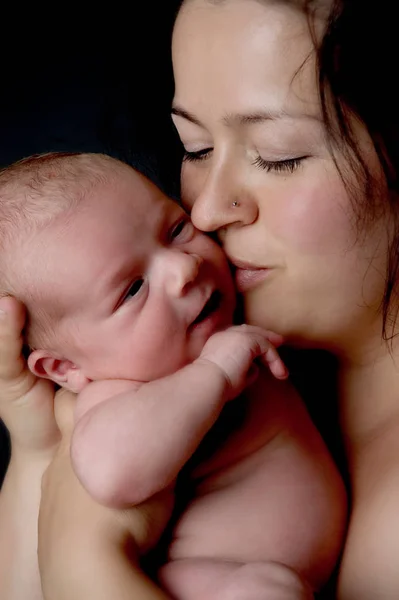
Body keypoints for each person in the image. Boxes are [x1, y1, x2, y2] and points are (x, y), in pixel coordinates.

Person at [0, 151, 345, 600]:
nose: (184, 267)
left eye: (177, 229)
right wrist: (214, 372)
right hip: (203, 582)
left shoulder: (224, 326)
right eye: (133, 289)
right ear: (65, 368)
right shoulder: (118, 396)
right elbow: (109, 473)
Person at [170, 0, 399, 598]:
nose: (206, 209)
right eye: (194, 147)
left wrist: (83, 556)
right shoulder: (210, 375)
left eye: (278, 156)